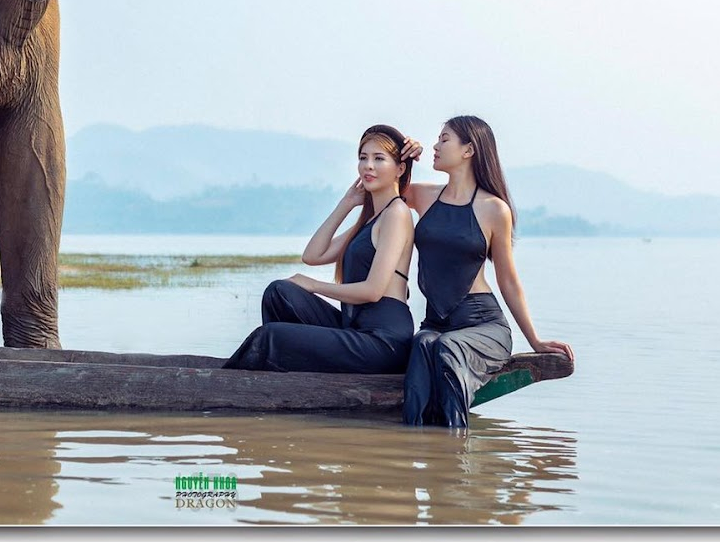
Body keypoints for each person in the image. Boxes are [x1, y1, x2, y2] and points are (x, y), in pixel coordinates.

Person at [398, 115, 574, 428]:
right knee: (424, 346)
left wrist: (533, 339)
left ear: (468, 150)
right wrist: (403, 150)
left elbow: (508, 280)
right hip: (436, 323)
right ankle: (416, 446)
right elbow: (381, 185)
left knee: (446, 349)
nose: (435, 146)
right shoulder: (423, 196)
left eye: (444, 139)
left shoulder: (494, 209)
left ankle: (455, 452)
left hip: (482, 325)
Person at [222, 124, 416, 373]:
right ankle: (287, 374)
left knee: (271, 336)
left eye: (379, 159)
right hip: (354, 328)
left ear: (400, 168)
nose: (368, 165)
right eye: (363, 158)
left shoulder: (397, 213)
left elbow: (373, 291)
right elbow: (312, 255)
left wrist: (314, 285)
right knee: (279, 292)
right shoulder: (370, 220)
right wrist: (346, 204)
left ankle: (236, 381)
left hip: (383, 341)